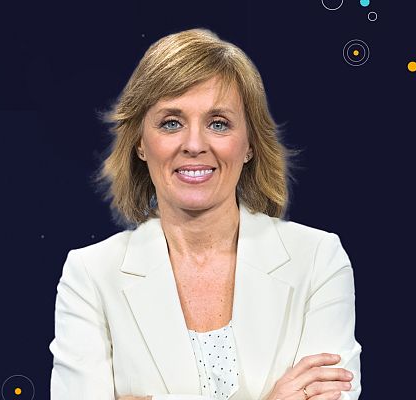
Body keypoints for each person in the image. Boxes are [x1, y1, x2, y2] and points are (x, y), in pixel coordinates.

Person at [49, 28, 362, 400]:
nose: (195, 145)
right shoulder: (90, 275)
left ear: (249, 144)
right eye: (171, 123)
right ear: (140, 143)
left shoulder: (318, 259)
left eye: (218, 123)